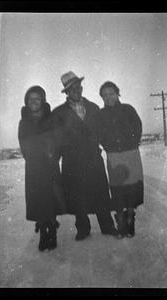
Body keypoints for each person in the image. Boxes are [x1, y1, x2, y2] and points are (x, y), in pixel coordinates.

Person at [46, 71, 118, 241]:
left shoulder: (93, 108)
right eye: (71, 89)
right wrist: (52, 161)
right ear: (67, 92)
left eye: (78, 87)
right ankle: (83, 229)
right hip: (72, 162)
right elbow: (55, 140)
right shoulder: (58, 113)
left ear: (82, 87)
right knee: (77, 195)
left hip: (93, 159)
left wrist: (114, 147)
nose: (76, 91)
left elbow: (103, 132)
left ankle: (107, 226)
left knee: (100, 192)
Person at [18, 85, 65, 251]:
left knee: (51, 200)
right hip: (33, 168)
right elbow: (23, 145)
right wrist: (33, 158)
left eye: (37, 98)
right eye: (30, 99)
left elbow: (59, 141)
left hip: (50, 166)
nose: (34, 101)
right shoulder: (23, 122)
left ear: (43, 100)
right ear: (27, 102)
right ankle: (43, 233)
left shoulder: (51, 118)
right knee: (38, 200)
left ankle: (52, 231)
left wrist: (53, 156)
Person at [97, 81, 144, 238]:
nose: (109, 97)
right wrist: (110, 146)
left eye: (111, 93)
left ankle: (130, 218)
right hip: (114, 157)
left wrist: (130, 144)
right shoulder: (101, 115)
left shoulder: (128, 109)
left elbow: (137, 128)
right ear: (102, 97)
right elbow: (100, 135)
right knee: (117, 189)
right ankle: (121, 221)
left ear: (118, 93)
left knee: (131, 188)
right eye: (105, 95)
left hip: (131, 155)